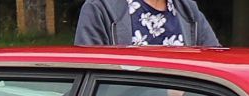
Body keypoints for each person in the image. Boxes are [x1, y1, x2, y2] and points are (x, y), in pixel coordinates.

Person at [73, 0, 221, 47]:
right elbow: (94, 88)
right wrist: (165, 93)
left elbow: (218, 68)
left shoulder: (189, 11)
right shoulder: (100, 9)